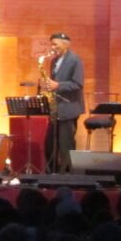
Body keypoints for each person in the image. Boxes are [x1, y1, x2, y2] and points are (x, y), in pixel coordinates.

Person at [41, 31, 85, 172]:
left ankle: (67, 175)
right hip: (56, 109)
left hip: (68, 108)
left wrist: (58, 85)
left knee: (66, 145)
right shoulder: (54, 61)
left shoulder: (75, 60)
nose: (52, 47)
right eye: (51, 44)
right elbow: (54, 83)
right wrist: (48, 86)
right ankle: (52, 172)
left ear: (65, 45)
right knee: (50, 144)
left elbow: (77, 84)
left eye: (55, 44)